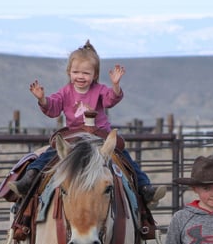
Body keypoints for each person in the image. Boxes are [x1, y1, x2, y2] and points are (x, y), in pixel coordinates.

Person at [9, 40, 166, 205]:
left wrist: (115, 85)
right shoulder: (65, 92)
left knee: (125, 158)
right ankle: (28, 179)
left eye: (85, 73)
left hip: (100, 135)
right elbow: (53, 108)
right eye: (76, 72)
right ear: (69, 72)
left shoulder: (99, 90)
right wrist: (42, 99)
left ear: (95, 75)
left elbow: (110, 100)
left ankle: (145, 188)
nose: (80, 76)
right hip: (74, 135)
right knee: (49, 154)